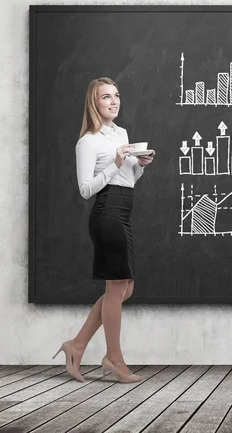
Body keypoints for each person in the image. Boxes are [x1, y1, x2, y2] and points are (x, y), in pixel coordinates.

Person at [52, 77, 155, 384]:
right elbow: (86, 190)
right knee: (116, 289)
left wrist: (140, 165)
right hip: (106, 213)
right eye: (106, 97)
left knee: (125, 289)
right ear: (94, 103)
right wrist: (114, 162)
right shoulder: (87, 141)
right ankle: (114, 358)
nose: (114, 101)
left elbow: (128, 180)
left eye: (116, 95)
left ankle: (77, 345)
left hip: (124, 210)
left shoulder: (121, 133)